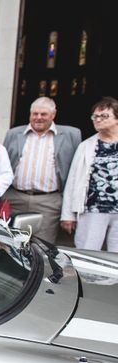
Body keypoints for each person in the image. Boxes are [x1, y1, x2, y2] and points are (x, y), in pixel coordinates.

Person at [3, 97, 81, 243]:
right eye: (35, 114)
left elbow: (76, 171)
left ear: (53, 115)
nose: (38, 118)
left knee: (42, 247)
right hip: (15, 198)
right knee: (11, 243)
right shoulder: (13, 134)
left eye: (43, 114)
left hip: (49, 202)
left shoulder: (71, 135)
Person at [61, 97, 118, 251]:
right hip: (93, 209)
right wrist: (67, 215)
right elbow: (73, 180)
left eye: (104, 116)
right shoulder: (86, 146)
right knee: (87, 251)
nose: (98, 120)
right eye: (95, 116)